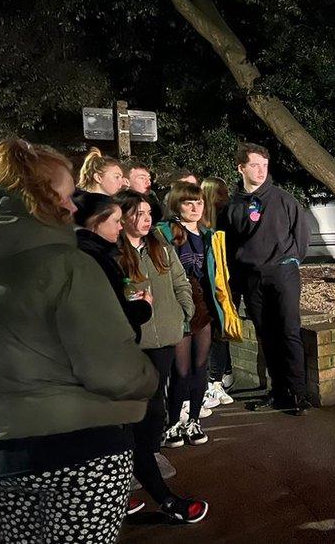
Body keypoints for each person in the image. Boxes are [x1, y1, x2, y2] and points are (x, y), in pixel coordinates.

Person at [0, 139, 157, 542]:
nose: (74, 207)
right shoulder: (66, 265)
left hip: (2, 454)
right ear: (43, 199)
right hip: (81, 452)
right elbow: (113, 370)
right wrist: (148, 379)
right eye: (66, 196)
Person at [116, 191, 208, 523]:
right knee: (146, 409)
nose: (146, 218)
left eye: (148, 212)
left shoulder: (161, 247)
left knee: (155, 406)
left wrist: (184, 312)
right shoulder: (115, 252)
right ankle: (140, 476)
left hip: (166, 337)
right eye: (138, 213)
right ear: (123, 217)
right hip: (135, 343)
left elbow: (181, 282)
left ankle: (141, 465)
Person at [221, 142, 311, 414]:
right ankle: (278, 391)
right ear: (241, 168)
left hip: (282, 273)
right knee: (266, 336)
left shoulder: (283, 198)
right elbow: (229, 244)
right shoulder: (233, 206)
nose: (260, 171)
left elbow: (302, 233)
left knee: (289, 332)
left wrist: (293, 259)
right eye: (254, 165)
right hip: (251, 277)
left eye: (264, 165)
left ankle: (298, 394)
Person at [157, 182, 226, 447]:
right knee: (180, 370)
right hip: (177, 308)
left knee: (200, 367)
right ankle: (173, 423)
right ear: (176, 205)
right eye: (188, 203)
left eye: (198, 202)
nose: (195, 208)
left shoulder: (208, 235)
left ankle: (194, 420)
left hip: (203, 308)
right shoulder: (163, 233)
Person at [73, 194, 153, 341]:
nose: (120, 226)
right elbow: (110, 311)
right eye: (116, 221)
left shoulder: (99, 251)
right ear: (97, 221)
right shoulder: (93, 257)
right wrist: (144, 306)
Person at [201, 177, 236, 404]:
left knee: (218, 330)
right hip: (220, 279)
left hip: (221, 279)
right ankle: (222, 375)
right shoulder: (216, 218)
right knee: (218, 330)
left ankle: (217, 379)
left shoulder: (220, 219)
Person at [126, 159, 164, 224]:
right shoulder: (123, 205)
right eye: (142, 178)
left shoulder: (153, 202)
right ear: (127, 181)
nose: (148, 182)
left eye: (149, 178)